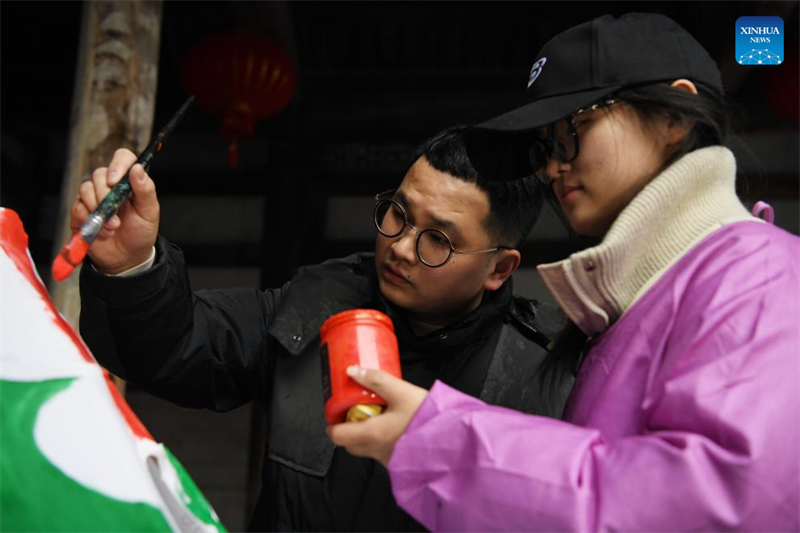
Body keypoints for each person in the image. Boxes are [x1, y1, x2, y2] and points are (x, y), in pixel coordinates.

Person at [328, 13, 800, 532]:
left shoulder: (760, 277)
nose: (553, 168)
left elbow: (719, 505)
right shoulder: (639, 303)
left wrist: (441, 443)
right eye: (546, 148)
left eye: (572, 133)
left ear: (673, 117)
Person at [74, 125, 571, 532]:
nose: (400, 247)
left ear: (499, 269)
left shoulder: (550, 369)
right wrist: (131, 266)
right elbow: (178, 345)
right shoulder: (315, 305)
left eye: (438, 239)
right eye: (398, 213)